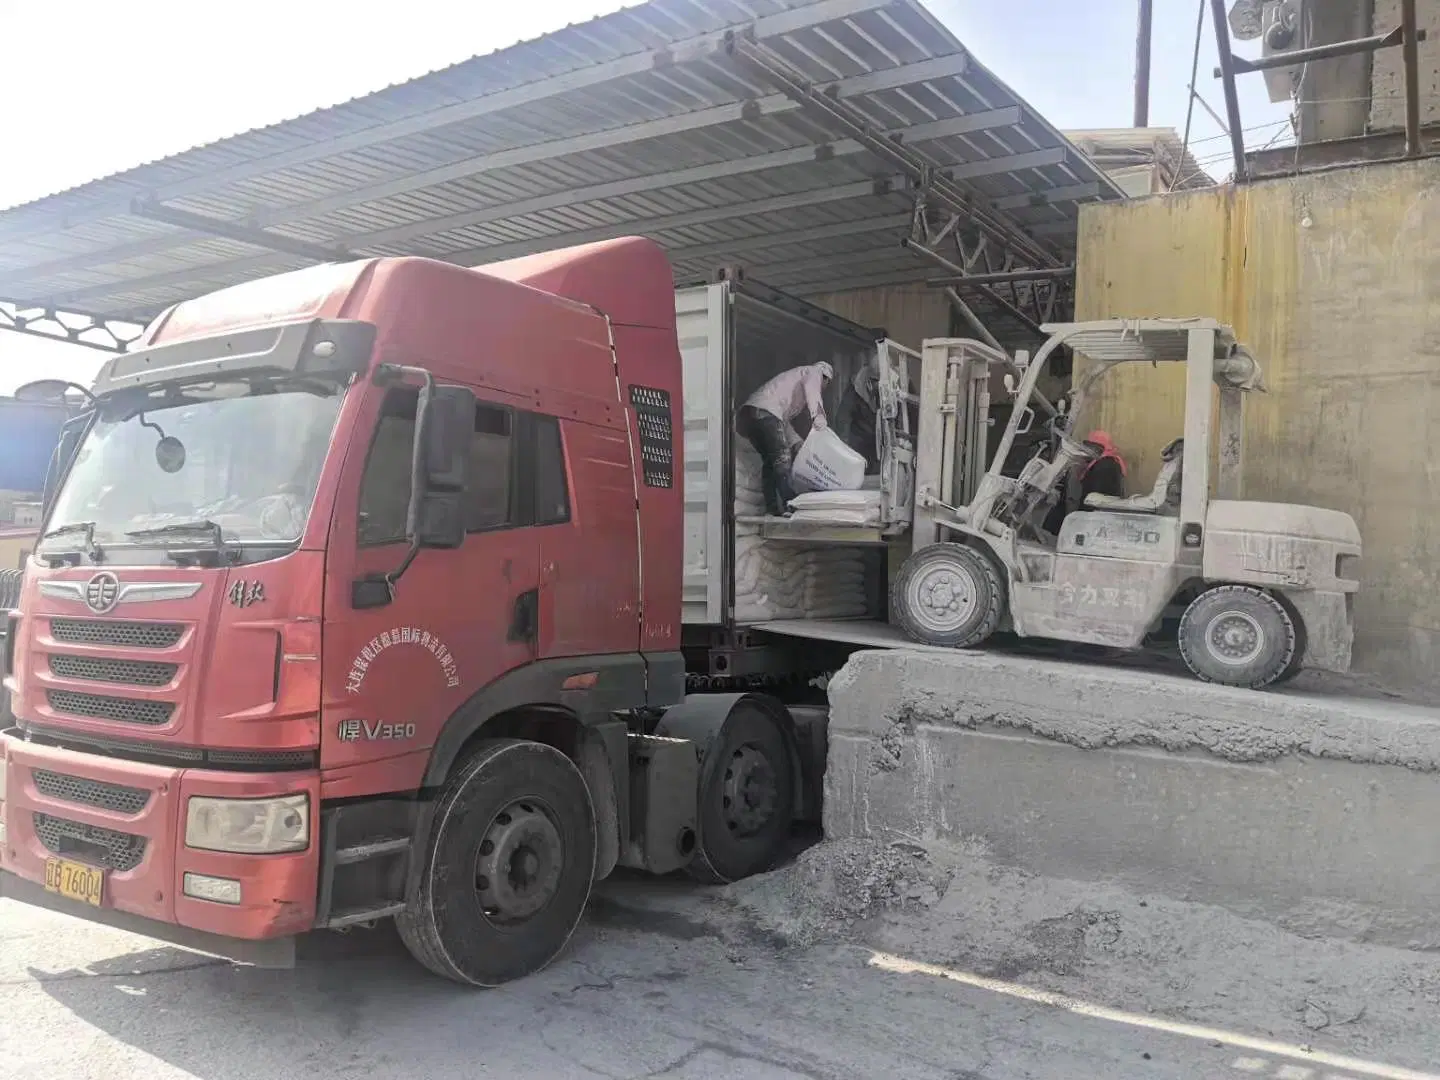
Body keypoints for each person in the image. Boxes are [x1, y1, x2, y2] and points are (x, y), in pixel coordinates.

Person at [735, 361, 833, 516]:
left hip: (749, 416)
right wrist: (818, 416)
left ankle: (772, 509)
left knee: (770, 462)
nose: (824, 387)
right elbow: (813, 393)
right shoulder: (814, 372)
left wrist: (797, 442)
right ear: (826, 378)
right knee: (782, 459)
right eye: (826, 383)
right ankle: (792, 505)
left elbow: (781, 420)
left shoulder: (792, 387)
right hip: (764, 412)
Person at [1042, 429, 1128, 534]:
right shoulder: (1101, 462)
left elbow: (1096, 495)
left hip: (1097, 515)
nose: (1087, 449)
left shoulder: (1106, 465)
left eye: (1091, 446)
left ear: (1100, 448)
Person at [835, 361, 880, 473]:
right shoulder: (853, 394)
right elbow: (842, 420)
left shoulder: (877, 391)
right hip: (857, 442)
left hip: (872, 441)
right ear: (870, 381)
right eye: (877, 383)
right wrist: (844, 449)